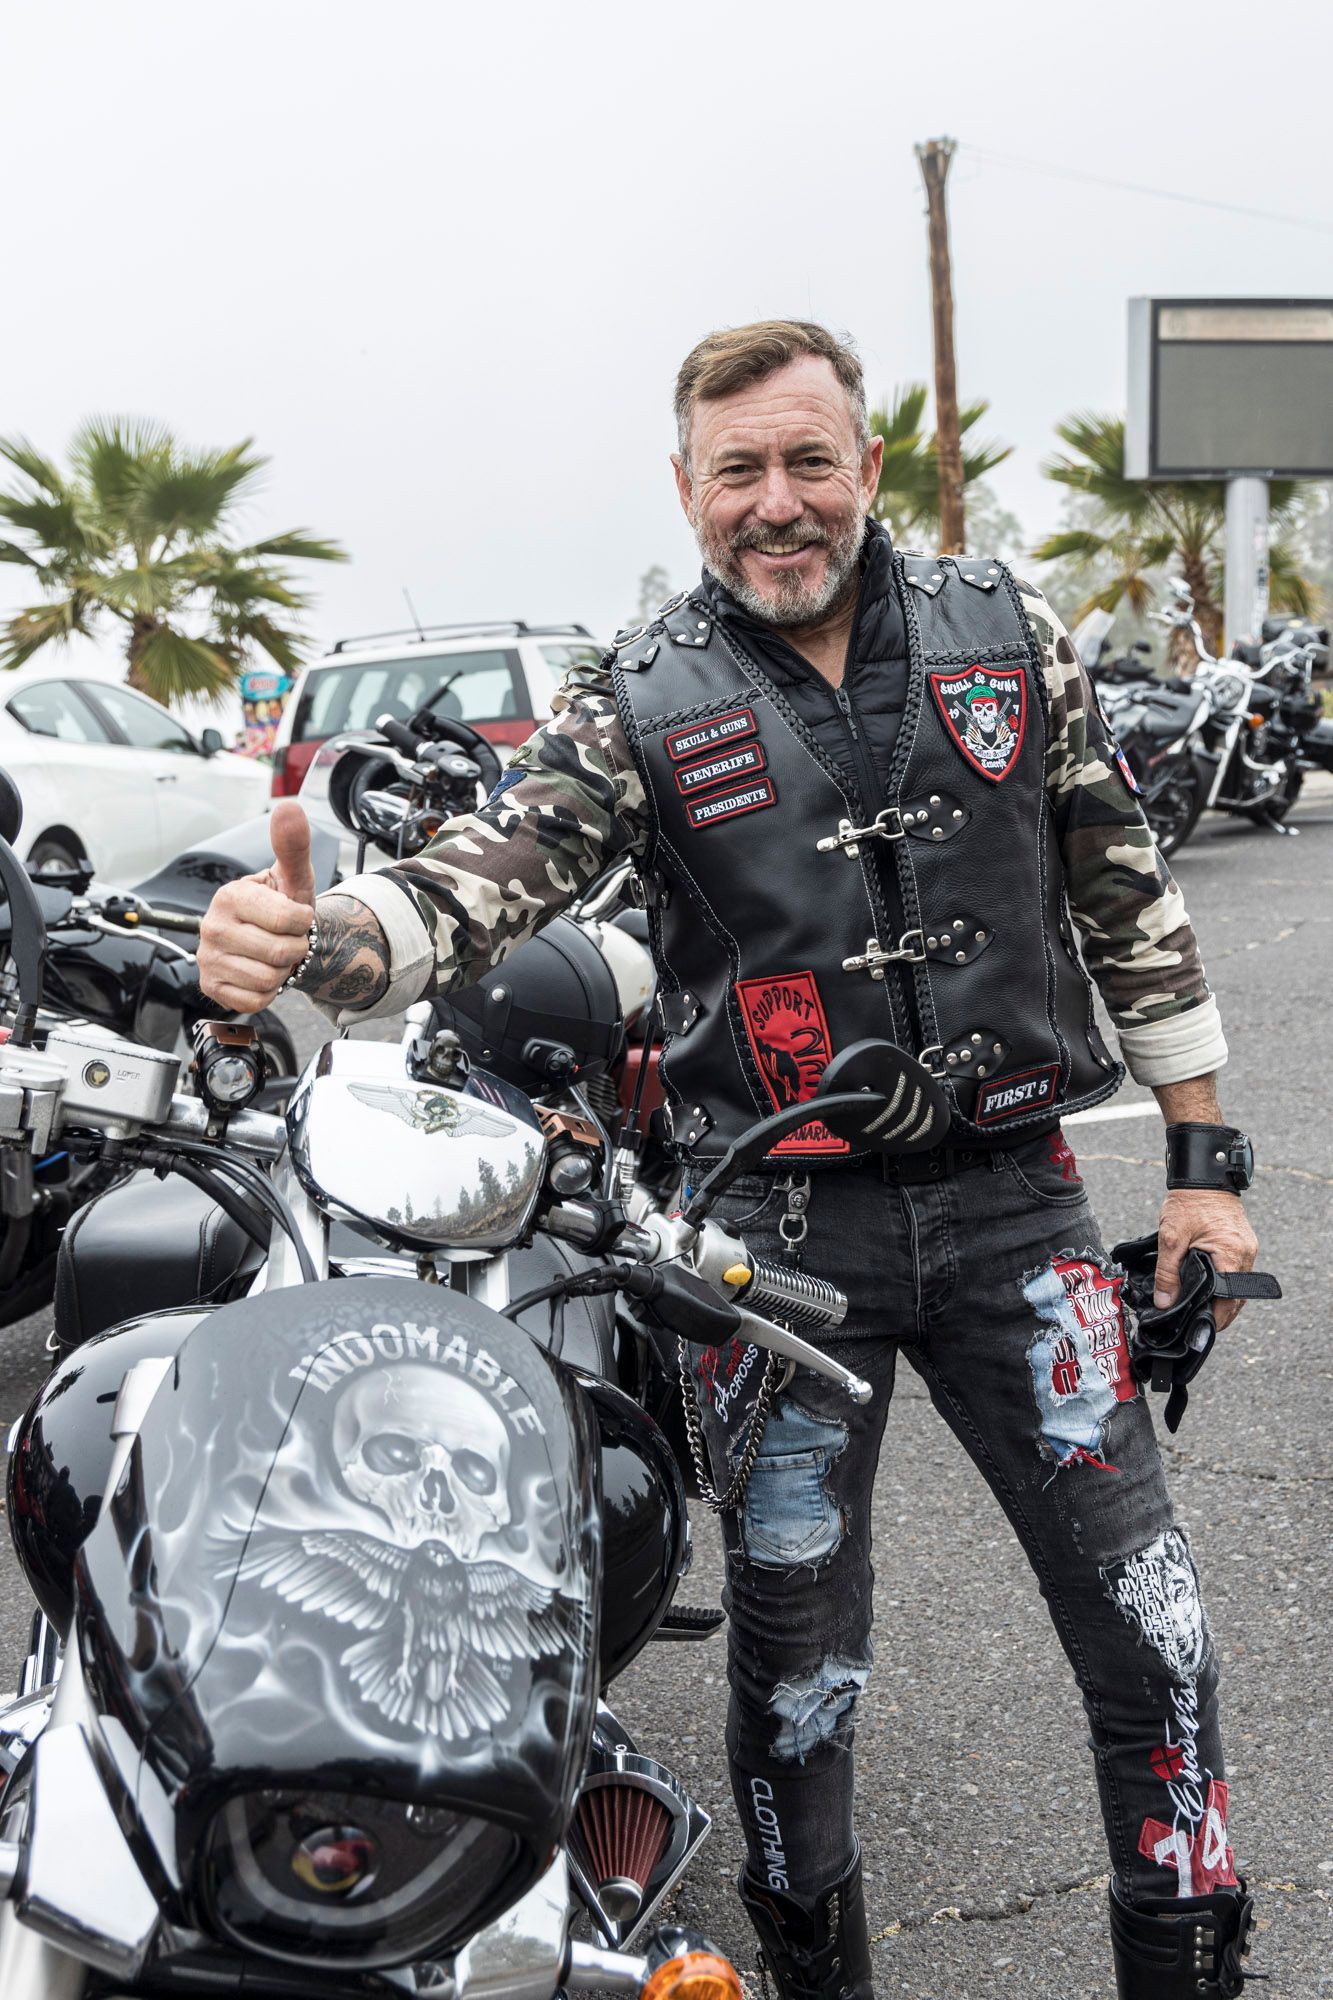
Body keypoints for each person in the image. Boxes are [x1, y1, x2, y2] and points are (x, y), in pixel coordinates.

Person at [198, 321, 1262, 1999]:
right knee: (793, 1670)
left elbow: (1127, 895)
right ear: (687, 490)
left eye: (808, 461)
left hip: (1021, 1213)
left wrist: (1202, 1165)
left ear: (866, 467)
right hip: (769, 1241)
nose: (779, 503)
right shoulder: (637, 692)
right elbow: (483, 876)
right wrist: (316, 938)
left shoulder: (1009, 636)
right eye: (739, 472)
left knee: (1150, 1628)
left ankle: (1188, 1964)